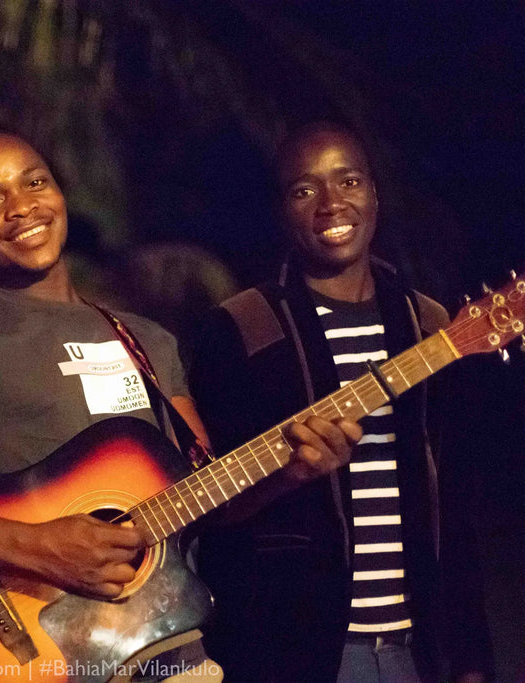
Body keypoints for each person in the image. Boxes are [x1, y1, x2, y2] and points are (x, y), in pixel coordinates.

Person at [0, 129, 358, 679]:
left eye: (35, 182)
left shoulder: (148, 341)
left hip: (163, 651)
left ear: (61, 194)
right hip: (36, 652)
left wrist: (288, 471)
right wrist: (34, 548)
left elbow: (204, 498)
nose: (21, 207)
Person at [189, 121, 493, 682]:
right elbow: (205, 512)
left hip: (419, 648)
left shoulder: (429, 326)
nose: (331, 204)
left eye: (348, 180)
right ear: (282, 209)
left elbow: (455, 502)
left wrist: (471, 658)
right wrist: (287, 474)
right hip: (296, 651)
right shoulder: (240, 329)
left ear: (375, 193)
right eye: (305, 190)